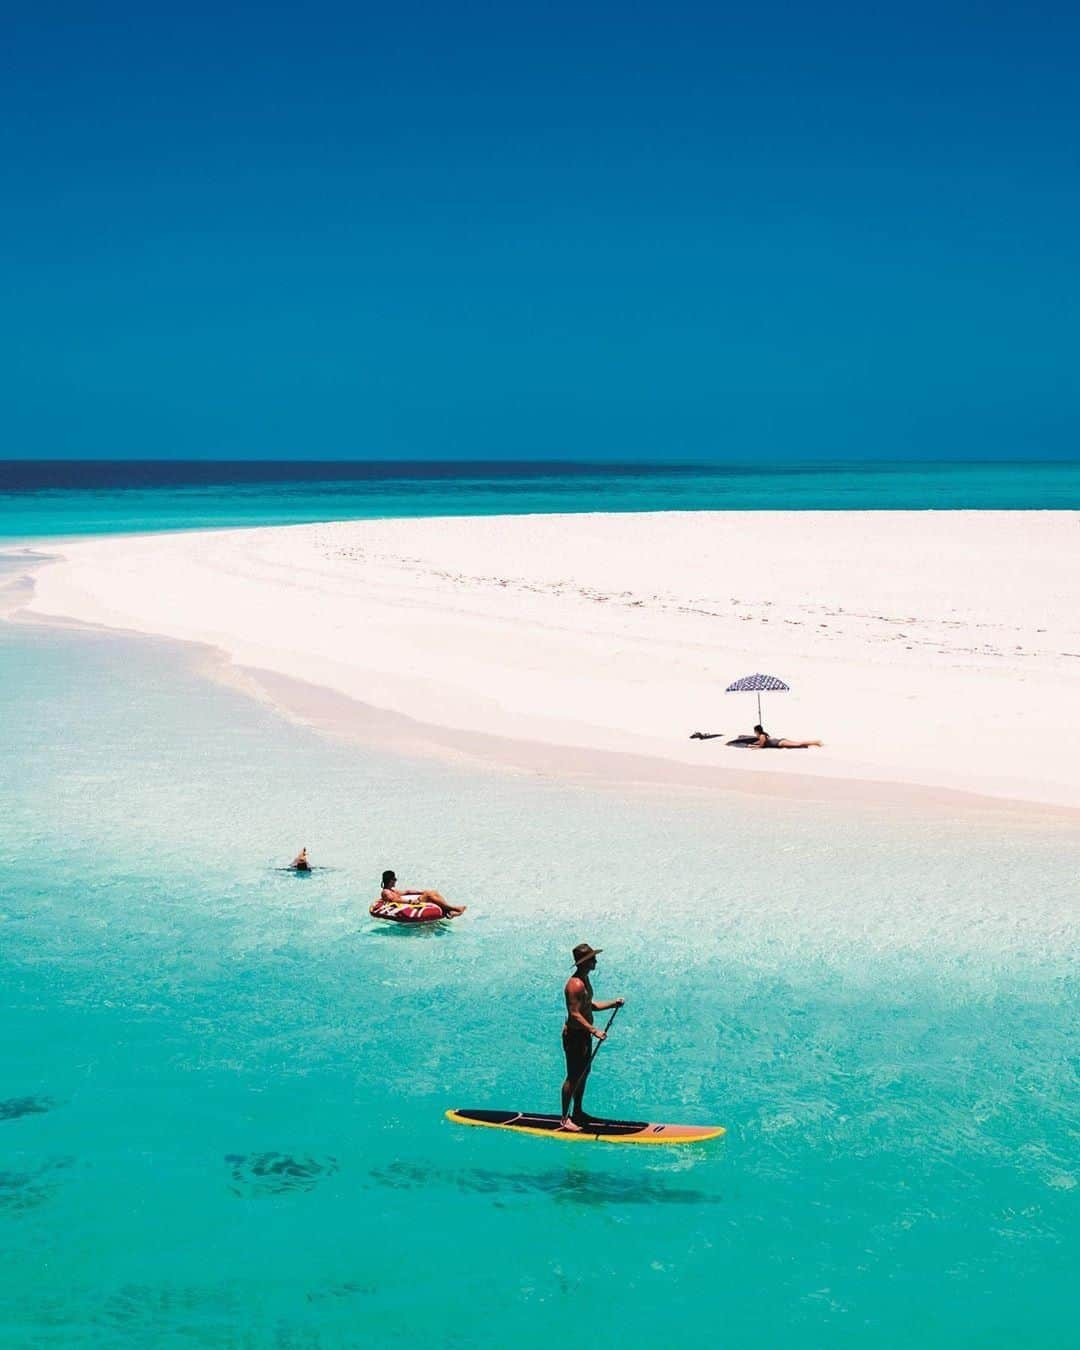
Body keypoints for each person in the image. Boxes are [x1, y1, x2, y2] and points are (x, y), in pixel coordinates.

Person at [560, 943, 624, 1132]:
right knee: (573, 1076)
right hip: (575, 1036)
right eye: (592, 959)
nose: (595, 961)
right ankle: (564, 1119)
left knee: (583, 1073)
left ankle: (578, 1112)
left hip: (584, 1034)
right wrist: (594, 1030)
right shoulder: (575, 985)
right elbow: (574, 1014)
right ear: (584, 962)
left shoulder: (585, 980)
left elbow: (589, 1006)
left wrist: (613, 1003)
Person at [380, 870, 465, 917]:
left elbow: (407, 891)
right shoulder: (386, 892)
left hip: (409, 903)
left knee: (432, 892)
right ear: (389, 880)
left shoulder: (392, 890)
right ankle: (453, 909)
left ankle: (448, 911)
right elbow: (395, 899)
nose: (396, 880)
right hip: (410, 905)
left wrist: (421, 891)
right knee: (429, 895)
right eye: (394, 879)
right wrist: (410, 901)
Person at [750, 723, 822, 749]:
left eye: (755, 731)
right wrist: (754, 744)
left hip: (780, 743)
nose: (755, 733)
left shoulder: (762, 736)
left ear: (757, 731)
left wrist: (752, 746)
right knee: (797, 743)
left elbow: (761, 746)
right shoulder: (763, 735)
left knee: (798, 744)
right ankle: (815, 743)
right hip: (780, 741)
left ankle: (816, 742)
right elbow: (760, 742)